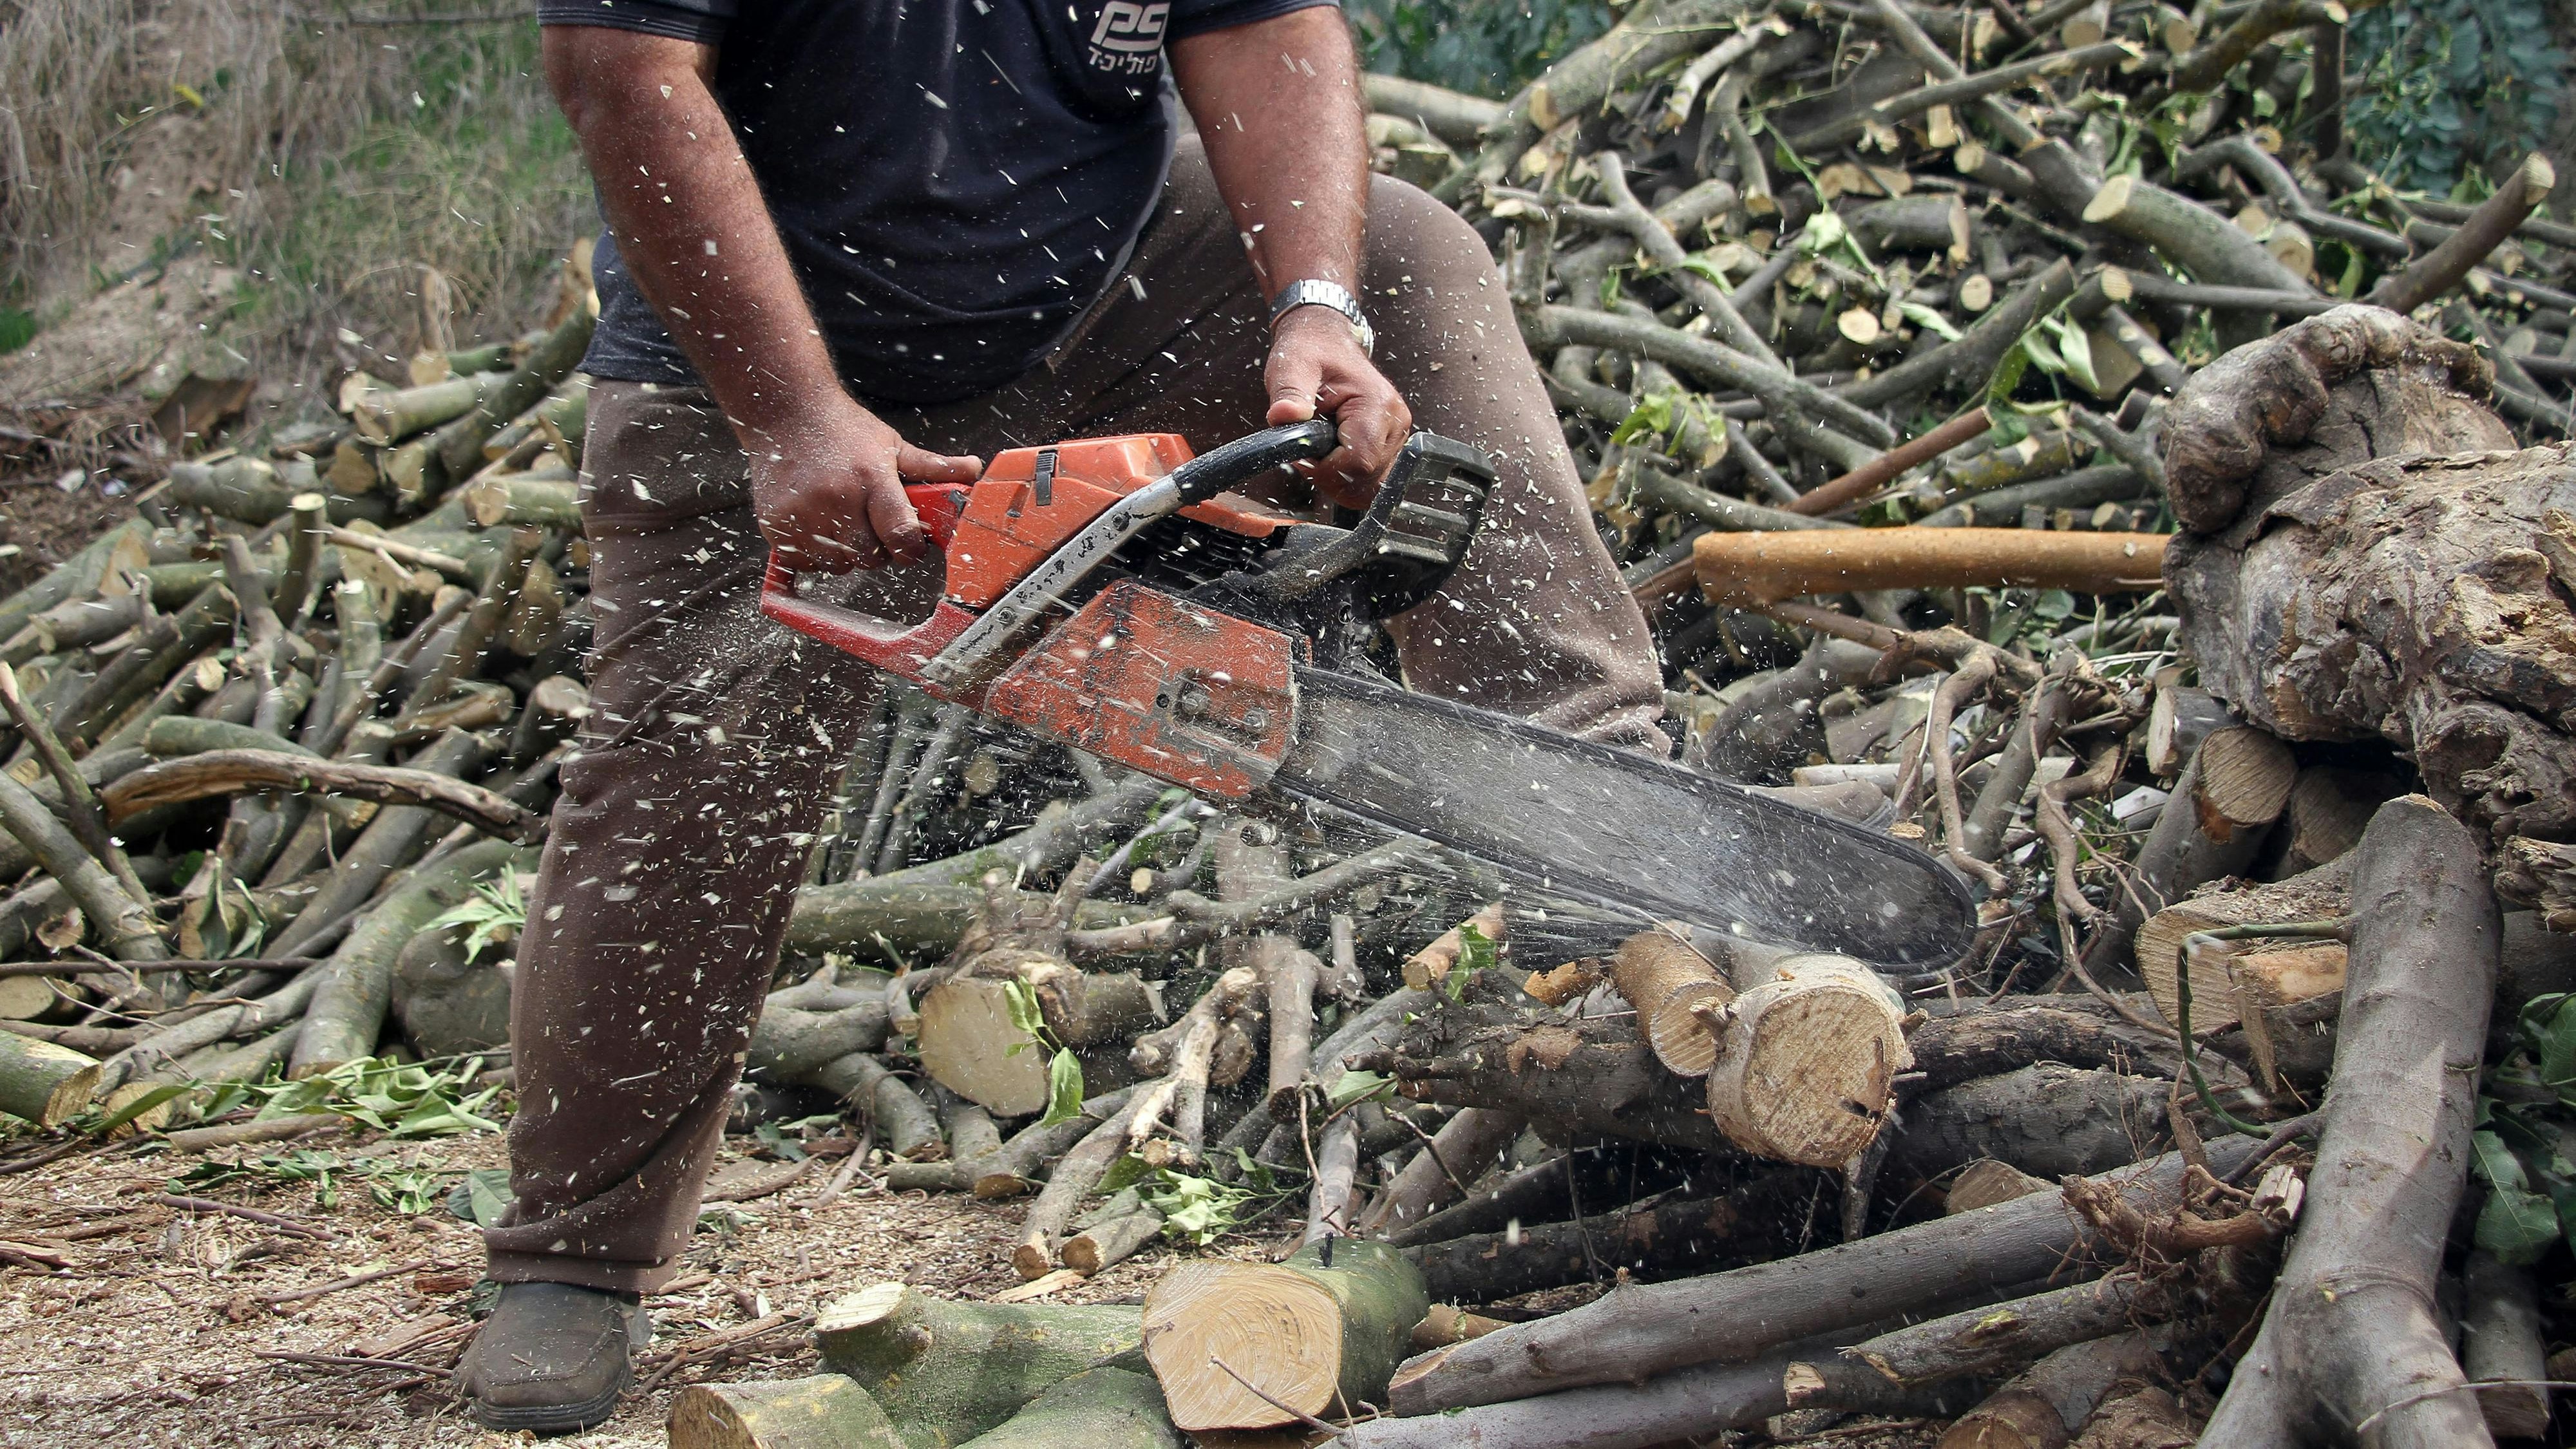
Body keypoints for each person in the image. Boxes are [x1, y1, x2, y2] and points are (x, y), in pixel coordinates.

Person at [455, 0, 1663, 1430]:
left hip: (1109, 272)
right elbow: (623, 72)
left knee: (1401, 256)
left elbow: (1266, 29)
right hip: (759, 336)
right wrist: (788, 413)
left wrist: (1313, 305)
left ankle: (1623, 837)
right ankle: (572, 1255)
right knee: (689, 770)